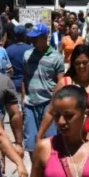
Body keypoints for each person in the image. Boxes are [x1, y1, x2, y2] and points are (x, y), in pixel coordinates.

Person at [38, 44, 89, 153]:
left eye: (85, 62)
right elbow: (50, 112)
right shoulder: (64, 83)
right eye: (77, 63)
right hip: (68, 142)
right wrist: (39, 137)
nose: (81, 66)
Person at [22, 24, 66, 156]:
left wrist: (57, 105)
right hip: (30, 105)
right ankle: (36, 174)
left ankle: (48, 172)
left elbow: (61, 83)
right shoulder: (27, 55)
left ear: (45, 37)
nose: (33, 41)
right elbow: (25, 79)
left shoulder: (56, 57)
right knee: (31, 144)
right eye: (32, 38)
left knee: (50, 143)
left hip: (49, 104)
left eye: (36, 38)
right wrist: (23, 100)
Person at [5, 24, 33, 102]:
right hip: (28, 85)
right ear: (25, 36)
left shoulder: (8, 50)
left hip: (13, 85)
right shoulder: (32, 50)